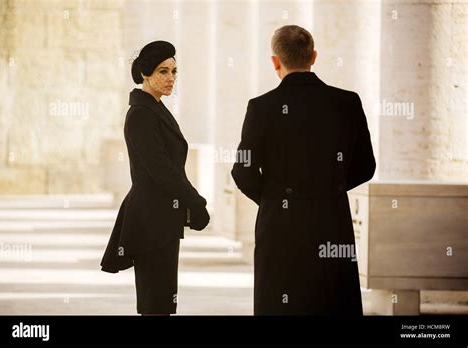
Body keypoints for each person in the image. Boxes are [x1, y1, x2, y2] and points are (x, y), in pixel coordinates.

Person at [231, 25, 376, 315]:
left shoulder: (261, 107)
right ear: (314, 56)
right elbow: (366, 166)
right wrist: (327, 189)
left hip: (280, 227)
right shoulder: (347, 102)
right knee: (332, 304)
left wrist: (277, 200)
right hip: (331, 220)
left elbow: (242, 170)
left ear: (275, 61)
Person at [100, 41, 210, 315]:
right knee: (155, 302)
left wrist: (190, 204)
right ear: (145, 74)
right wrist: (196, 202)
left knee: (161, 301)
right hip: (151, 218)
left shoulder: (154, 108)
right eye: (163, 71)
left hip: (163, 217)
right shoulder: (140, 114)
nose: (171, 78)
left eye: (174, 71)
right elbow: (161, 170)